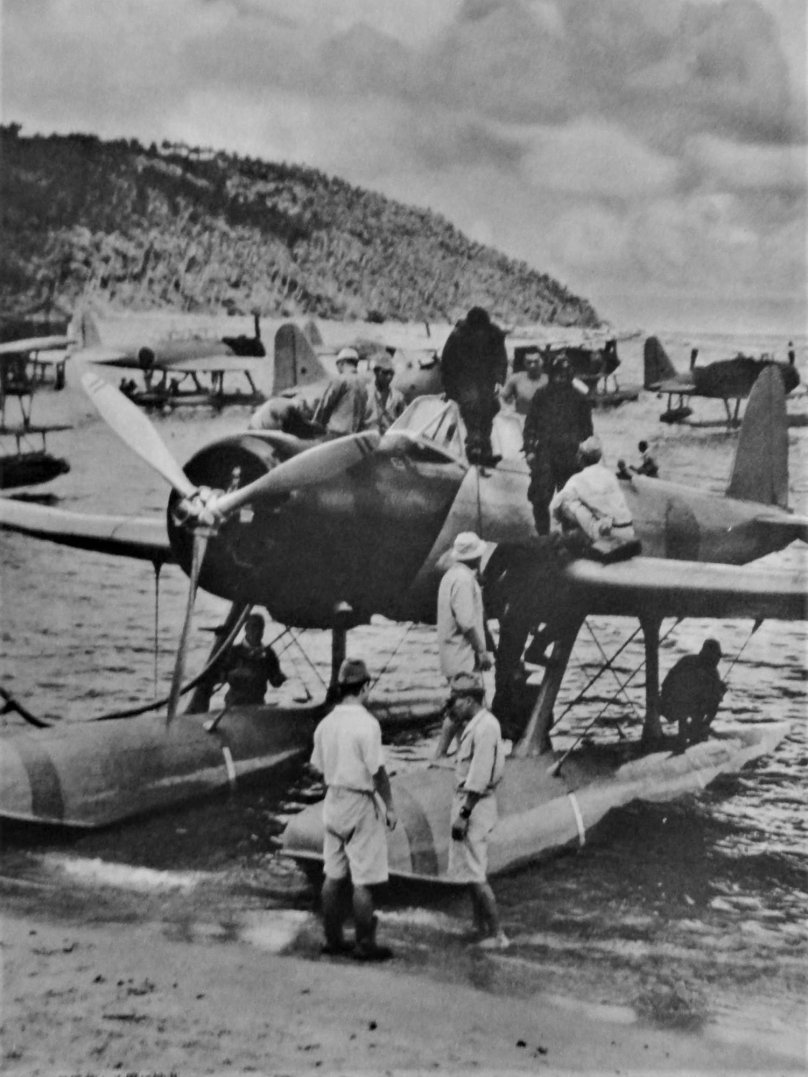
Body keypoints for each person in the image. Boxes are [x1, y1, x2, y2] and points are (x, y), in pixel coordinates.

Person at [309, 658, 397, 961]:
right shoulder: (367, 723)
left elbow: (315, 768)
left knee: (332, 875)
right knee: (363, 880)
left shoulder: (325, 724)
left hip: (333, 800)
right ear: (364, 687)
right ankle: (364, 944)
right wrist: (390, 808)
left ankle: (332, 939)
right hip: (360, 801)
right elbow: (378, 772)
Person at [436, 671, 508, 949]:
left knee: (476, 874)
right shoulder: (477, 724)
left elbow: (477, 777)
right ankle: (481, 928)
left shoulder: (486, 727)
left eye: (455, 700)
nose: (452, 706)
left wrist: (463, 815)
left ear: (468, 700)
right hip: (470, 803)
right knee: (469, 872)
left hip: (475, 806)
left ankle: (498, 935)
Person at [522, 353, 594, 534]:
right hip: (545, 453)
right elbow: (530, 425)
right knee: (539, 499)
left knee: (569, 503)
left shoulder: (580, 399)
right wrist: (530, 449)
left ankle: (569, 537)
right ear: (552, 375)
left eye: (564, 375)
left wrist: (585, 456)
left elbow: (587, 431)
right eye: (557, 375)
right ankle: (543, 536)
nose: (561, 379)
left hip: (570, 456)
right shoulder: (541, 395)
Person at [440, 306, 508, 466]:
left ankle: (484, 448)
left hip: (486, 380)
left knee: (490, 407)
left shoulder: (494, 335)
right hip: (464, 379)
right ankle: (474, 446)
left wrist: (498, 379)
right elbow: (447, 361)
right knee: (471, 406)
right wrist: (449, 388)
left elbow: (500, 359)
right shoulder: (459, 334)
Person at [551, 436, 636, 555]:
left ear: (580, 457)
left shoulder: (577, 479)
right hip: (627, 530)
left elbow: (554, 506)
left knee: (568, 503)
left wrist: (556, 523)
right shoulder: (609, 475)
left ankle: (579, 539)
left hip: (607, 534)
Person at [660, 639, 726, 749]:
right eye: (716, 656)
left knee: (711, 699)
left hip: (683, 705)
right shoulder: (688, 663)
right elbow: (669, 685)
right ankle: (685, 737)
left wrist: (718, 692)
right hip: (672, 704)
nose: (717, 660)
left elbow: (713, 702)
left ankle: (695, 731)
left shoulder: (712, 672)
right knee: (693, 701)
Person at [222, 612, 286, 706]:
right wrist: (236, 673)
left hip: (258, 704)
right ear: (246, 628)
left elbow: (275, 683)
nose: (256, 632)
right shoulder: (234, 651)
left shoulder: (268, 653)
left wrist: (279, 678)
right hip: (234, 704)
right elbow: (221, 676)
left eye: (260, 628)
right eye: (253, 627)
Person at [311, 347, 369, 438]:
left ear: (341, 363)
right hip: (355, 436)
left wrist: (315, 425)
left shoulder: (340, 379)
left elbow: (325, 404)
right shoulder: (364, 382)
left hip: (337, 434)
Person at [364, 352, 405, 434]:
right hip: (368, 438)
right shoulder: (365, 392)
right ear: (376, 372)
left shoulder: (398, 396)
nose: (389, 377)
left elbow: (404, 419)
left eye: (392, 373)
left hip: (389, 439)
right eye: (385, 373)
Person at [500, 347, 546, 415]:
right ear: (524, 362)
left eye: (536, 361)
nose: (532, 365)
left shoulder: (549, 380)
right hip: (522, 419)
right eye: (529, 362)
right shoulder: (516, 379)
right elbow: (502, 398)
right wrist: (509, 412)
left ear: (542, 361)